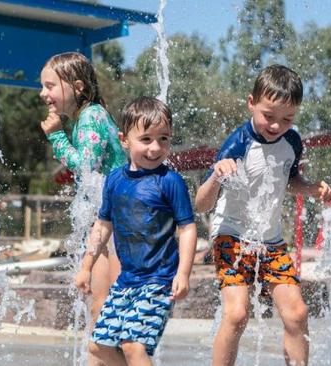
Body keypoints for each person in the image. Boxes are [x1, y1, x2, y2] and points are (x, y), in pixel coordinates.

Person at [195, 65, 331, 366]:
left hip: (271, 242)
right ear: (251, 103)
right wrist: (217, 175)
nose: (276, 125)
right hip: (231, 236)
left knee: (297, 314)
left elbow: (289, 180)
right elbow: (201, 205)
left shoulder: (292, 142)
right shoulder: (238, 143)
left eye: (287, 118)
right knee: (237, 314)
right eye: (269, 116)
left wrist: (309, 189)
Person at [75, 96, 198, 366]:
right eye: (146, 139)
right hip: (126, 283)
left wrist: (183, 273)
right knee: (99, 348)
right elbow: (102, 225)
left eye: (163, 139)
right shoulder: (115, 180)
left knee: (133, 347)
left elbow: (187, 228)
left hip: (158, 281)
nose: (156, 148)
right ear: (124, 140)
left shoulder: (170, 181)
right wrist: (86, 267)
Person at [39, 52, 127, 353]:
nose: (43, 93)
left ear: (77, 87)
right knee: (99, 311)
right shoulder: (88, 116)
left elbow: (85, 165)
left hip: (120, 224)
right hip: (108, 222)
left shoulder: (90, 116)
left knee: (113, 315)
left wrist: (56, 138)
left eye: (50, 86)